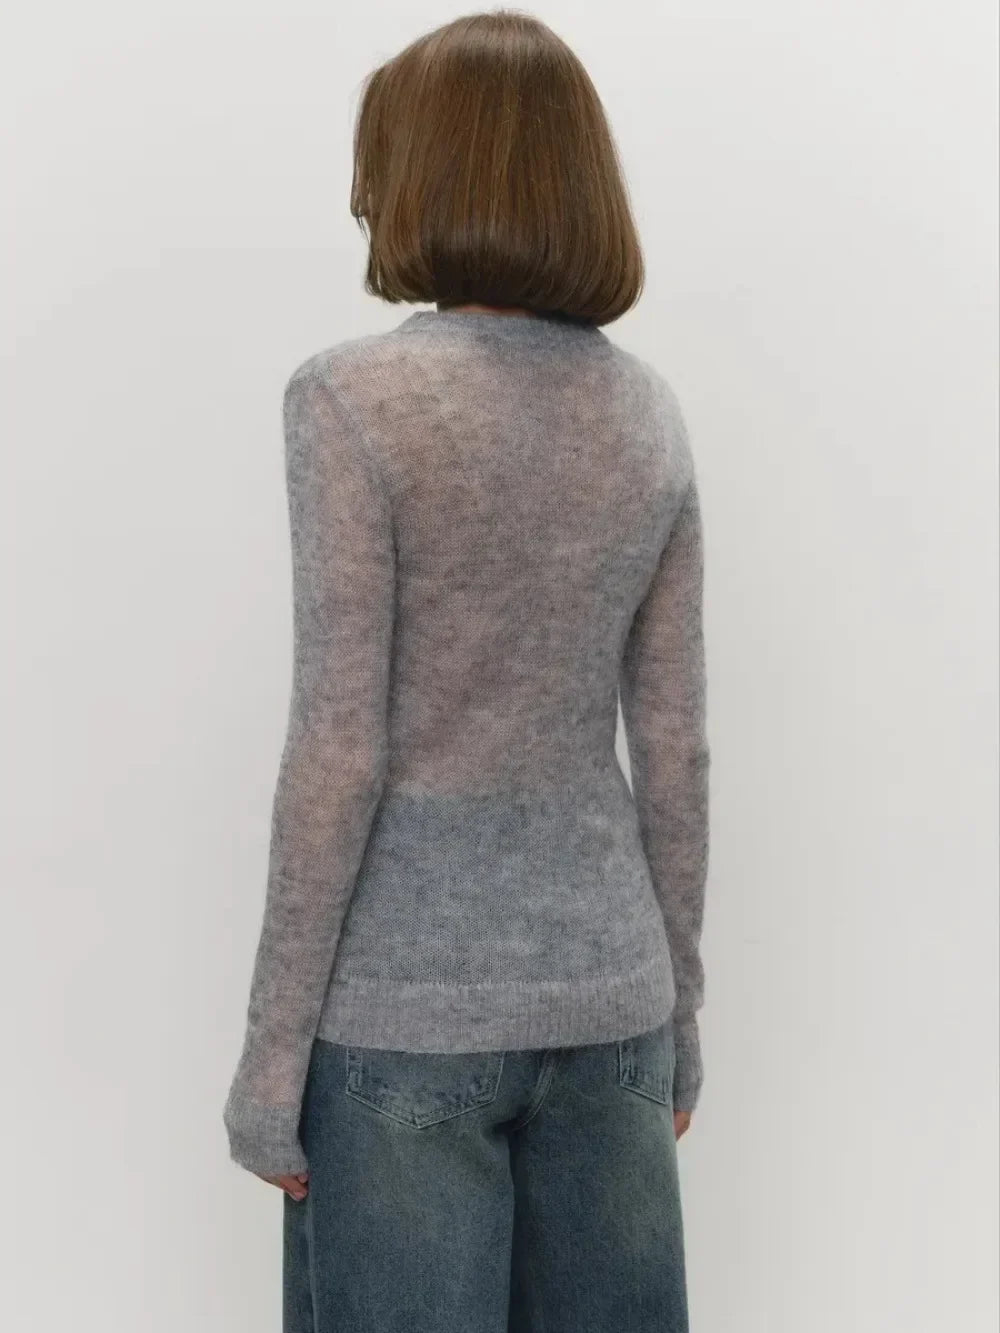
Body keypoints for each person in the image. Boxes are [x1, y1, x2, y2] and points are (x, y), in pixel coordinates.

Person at [223, 11, 711, 1331]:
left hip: (401, 1019)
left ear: (420, 177)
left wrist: (270, 1061)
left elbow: (339, 747)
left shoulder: (349, 403)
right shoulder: (647, 413)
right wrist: (682, 1017)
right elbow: (674, 748)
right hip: (612, 1004)